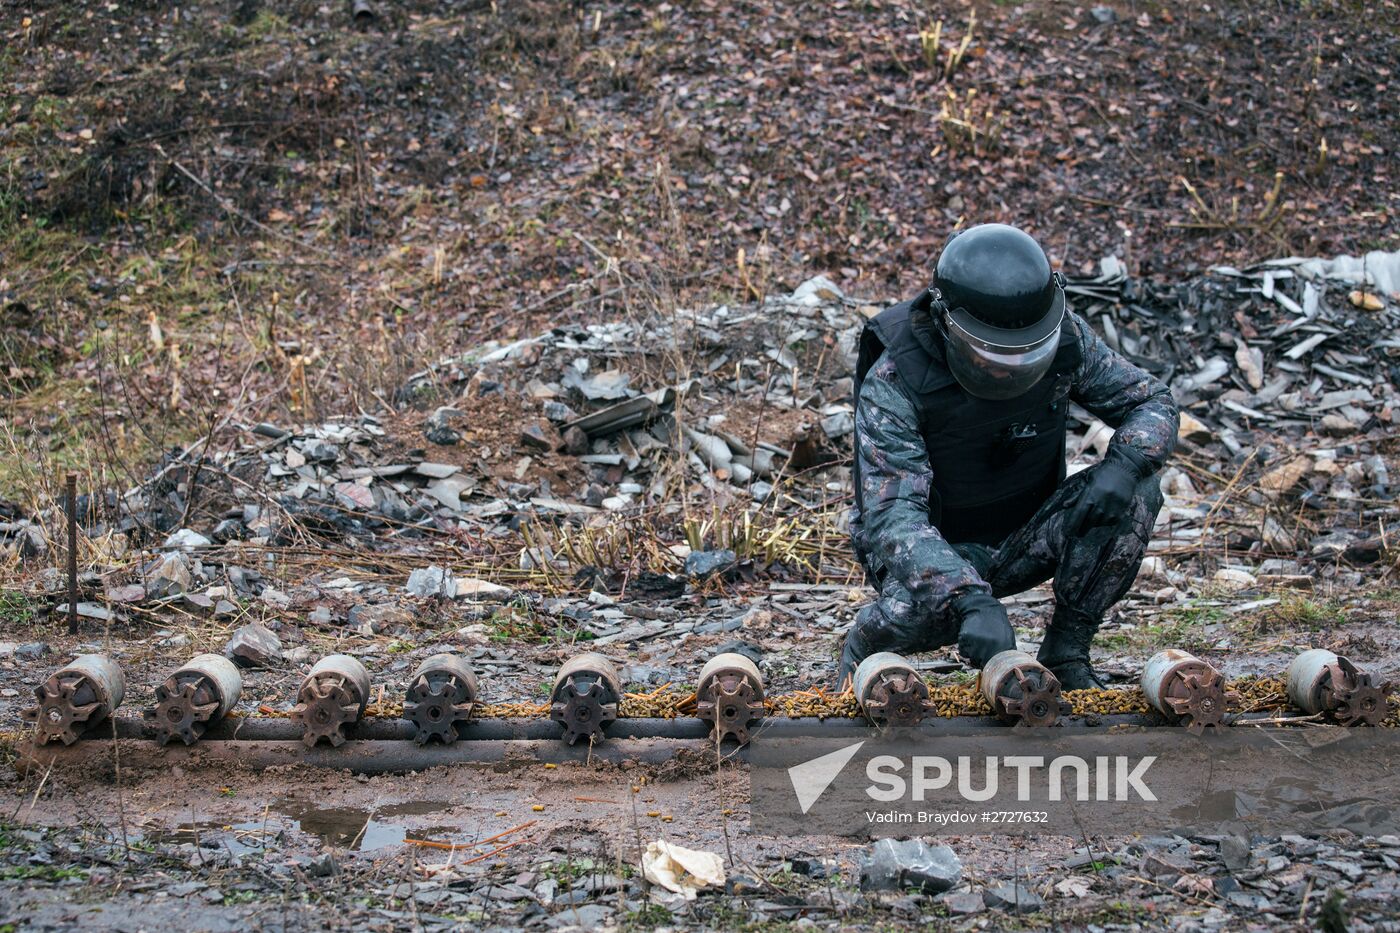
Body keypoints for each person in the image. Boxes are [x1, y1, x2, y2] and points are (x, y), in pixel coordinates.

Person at [841, 223, 1179, 690]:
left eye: (1026, 353)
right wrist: (968, 597)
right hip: (933, 552)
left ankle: (1067, 651)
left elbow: (1151, 401)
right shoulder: (897, 380)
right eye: (994, 355)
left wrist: (1126, 463)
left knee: (1137, 490)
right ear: (946, 321)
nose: (1011, 370)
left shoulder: (1068, 339)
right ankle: (864, 645)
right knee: (928, 612)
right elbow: (891, 517)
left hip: (1025, 533)